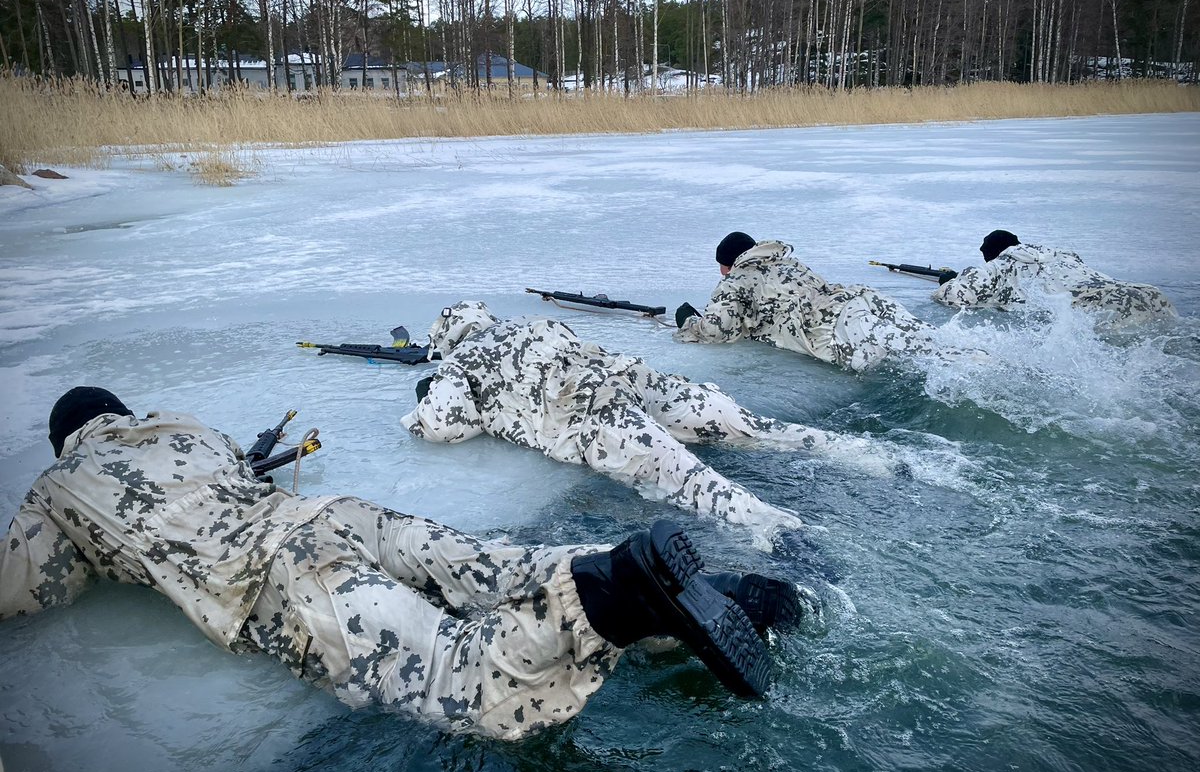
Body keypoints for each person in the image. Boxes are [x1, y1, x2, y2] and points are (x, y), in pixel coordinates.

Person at [0, 387, 810, 740]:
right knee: (498, 565)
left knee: (453, 678)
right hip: (345, 516)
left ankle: (612, 600)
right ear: (118, 410)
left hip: (280, 580)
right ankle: (699, 586)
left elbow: (30, 584)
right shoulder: (180, 426)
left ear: (67, 438)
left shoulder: (60, 485)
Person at [403, 302, 894, 543]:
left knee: (699, 487)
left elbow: (447, 423)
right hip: (640, 380)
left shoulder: (461, 362)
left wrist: (421, 406)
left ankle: (788, 538)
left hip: (596, 418)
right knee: (755, 427)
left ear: (448, 337)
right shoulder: (534, 324)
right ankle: (872, 458)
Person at [674, 232, 940, 372]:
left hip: (836, 330)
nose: (721, 273)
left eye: (721, 266)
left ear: (729, 263)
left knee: (916, 365)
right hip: (864, 301)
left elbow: (715, 331)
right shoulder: (789, 263)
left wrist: (687, 321)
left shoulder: (737, 279)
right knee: (936, 347)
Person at [932, 230, 1177, 327]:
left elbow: (958, 297)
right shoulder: (1060, 255)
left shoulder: (999, 266)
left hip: (1100, 309)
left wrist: (950, 280)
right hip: (1147, 293)